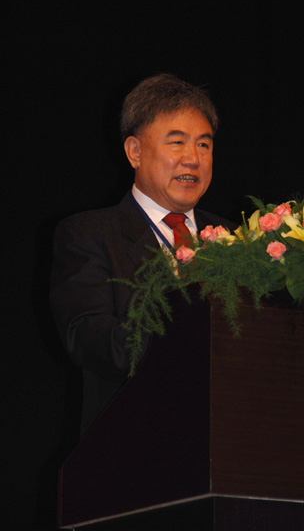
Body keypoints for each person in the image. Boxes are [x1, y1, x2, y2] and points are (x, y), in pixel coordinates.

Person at [50, 73, 234, 434]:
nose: (193, 159)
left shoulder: (238, 238)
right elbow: (86, 336)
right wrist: (184, 342)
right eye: (177, 143)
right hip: (135, 435)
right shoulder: (90, 234)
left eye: (204, 145)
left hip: (232, 433)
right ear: (135, 152)